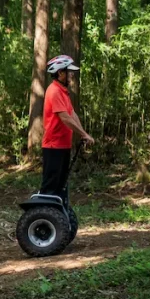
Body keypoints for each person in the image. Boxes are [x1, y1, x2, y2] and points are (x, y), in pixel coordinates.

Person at [42, 55, 95, 199]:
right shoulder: (54, 91)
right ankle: (43, 217)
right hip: (53, 146)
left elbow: (72, 115)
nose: (72, 75)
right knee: (51, 187)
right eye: (69, 72)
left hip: (63, 146)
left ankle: (57, 218)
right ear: (60, 73)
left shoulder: (63, 92)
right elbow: (64, 117)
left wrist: (84, 133)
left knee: (61, 186)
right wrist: (83, 134)